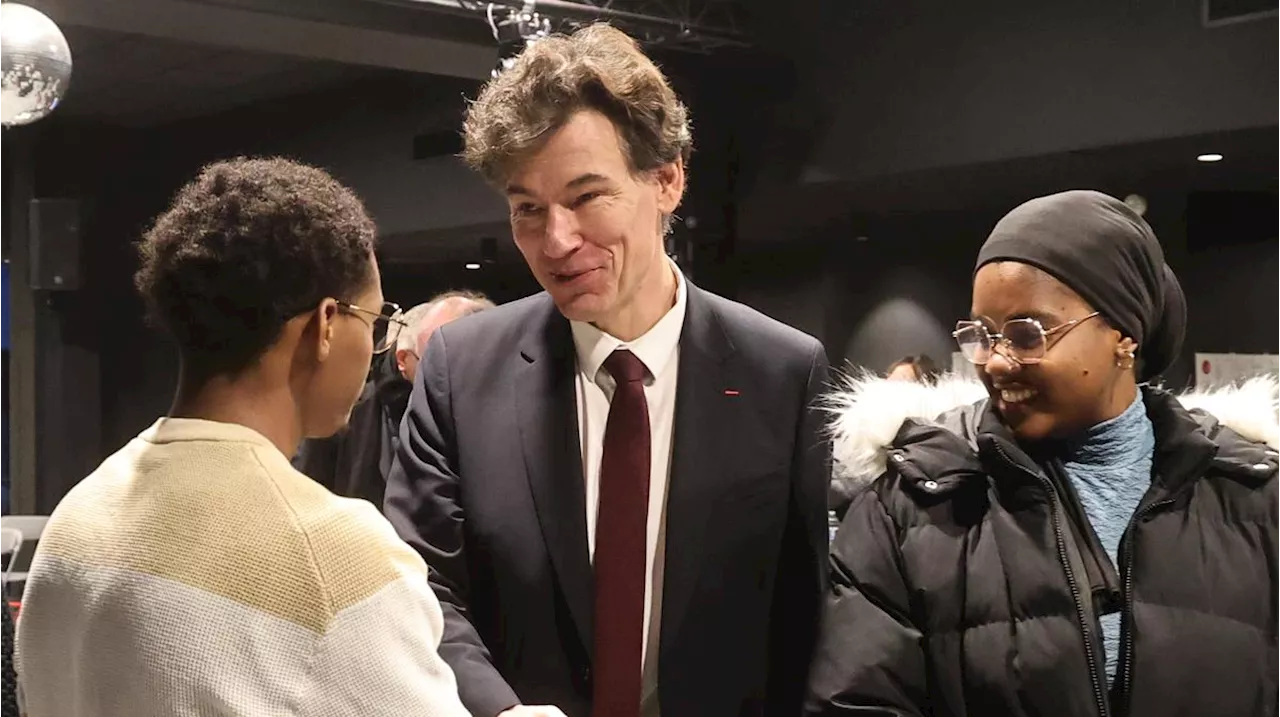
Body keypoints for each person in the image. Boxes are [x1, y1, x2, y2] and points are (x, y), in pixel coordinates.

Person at [384, 23, 831, 717]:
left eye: (587, 196)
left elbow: (807, 613)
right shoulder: (461, 369)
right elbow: (419, 583)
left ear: (668, 180)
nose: (557, 240)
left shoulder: (783, 372)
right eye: (528, 209)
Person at [15, 157, 469, 717]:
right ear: (325, 325)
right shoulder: (335, 555)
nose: (372, 346)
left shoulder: (77, 515)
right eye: (373, 321)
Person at [807, 190, 1280, 716]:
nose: (997, 362)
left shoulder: (1254, 497)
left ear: (1125, 334)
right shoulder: (911, 503)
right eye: (981, 335)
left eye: (1027, 333)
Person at [293, 289, 493, 505]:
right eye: (443, 363)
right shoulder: (344, 412)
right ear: (404, 361)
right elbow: (305, 499)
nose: (463, 380)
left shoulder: (497, 409)